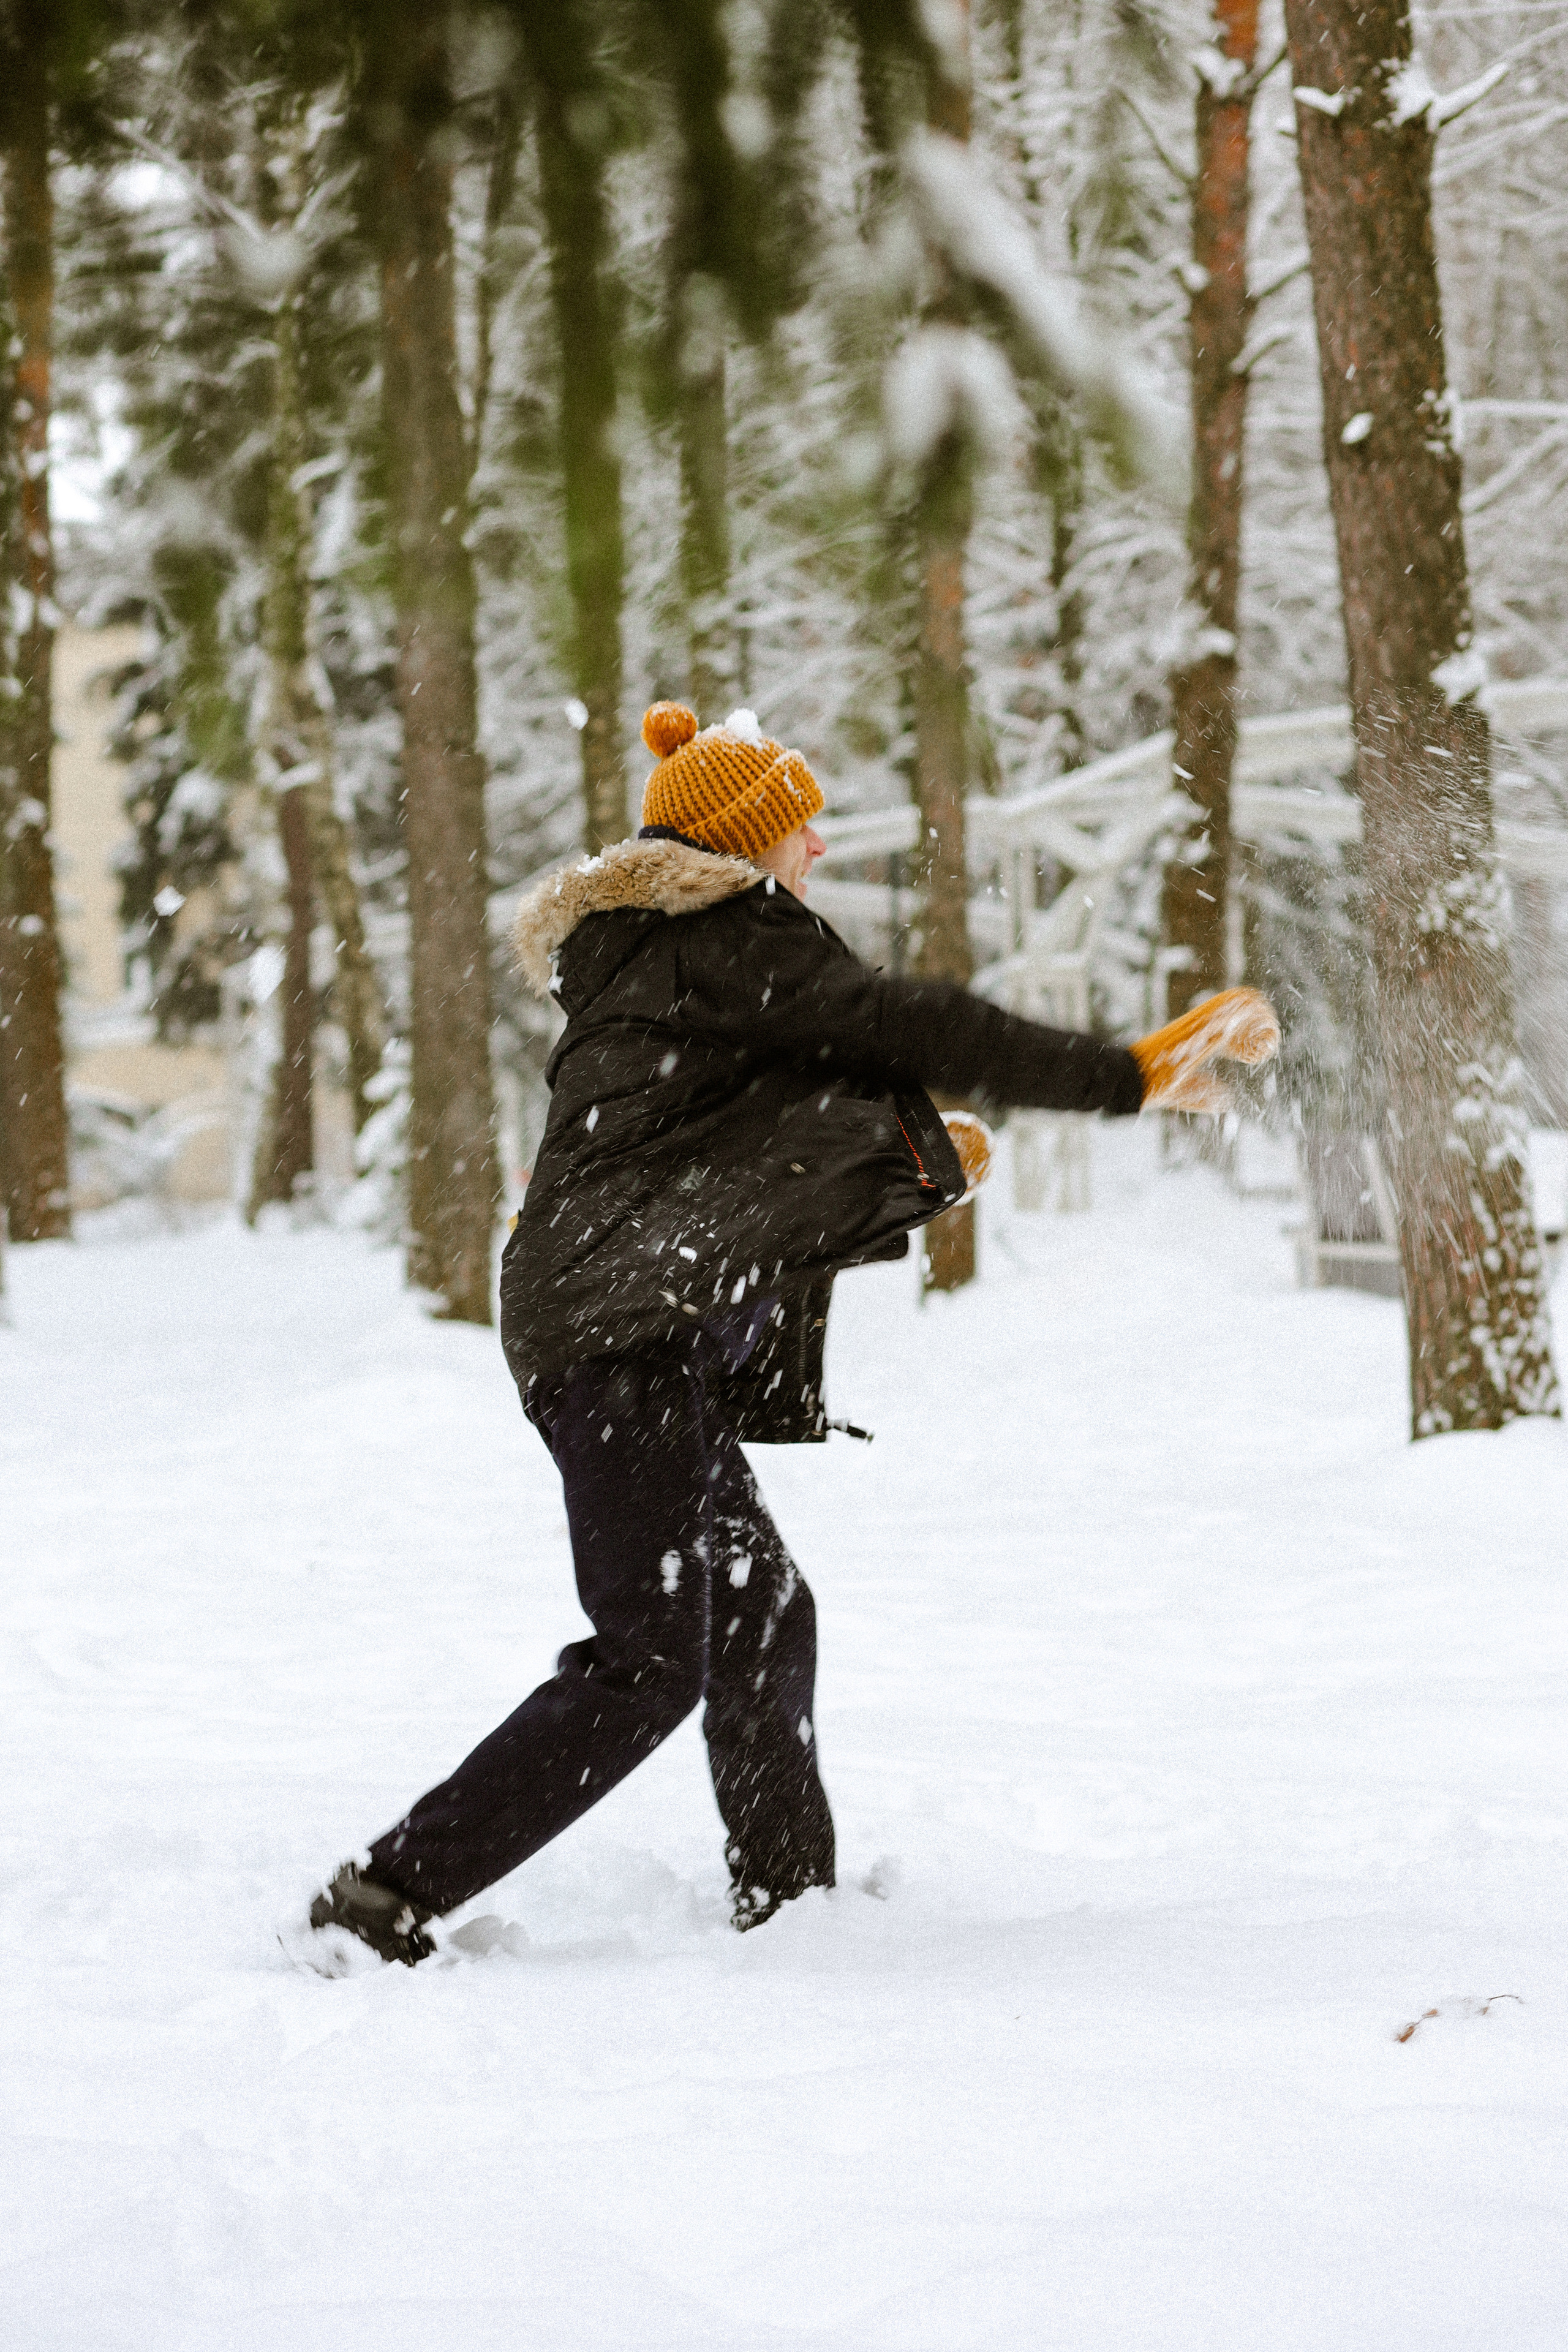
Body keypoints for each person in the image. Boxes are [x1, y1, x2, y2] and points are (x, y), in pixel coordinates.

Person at [309, 702, 1277, 1965]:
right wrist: (1122, 1076)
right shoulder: (721, 936)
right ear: (743, 843)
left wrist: (909, 1157)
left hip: (617, 1327)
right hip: (617, 1338)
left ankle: (789, 1899)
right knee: (653, 1654)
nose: (816, 845)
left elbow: (736, 1144)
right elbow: (908, 1025)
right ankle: (381, 1898)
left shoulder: (661, 962)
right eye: (798, 823)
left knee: (762, 1608)